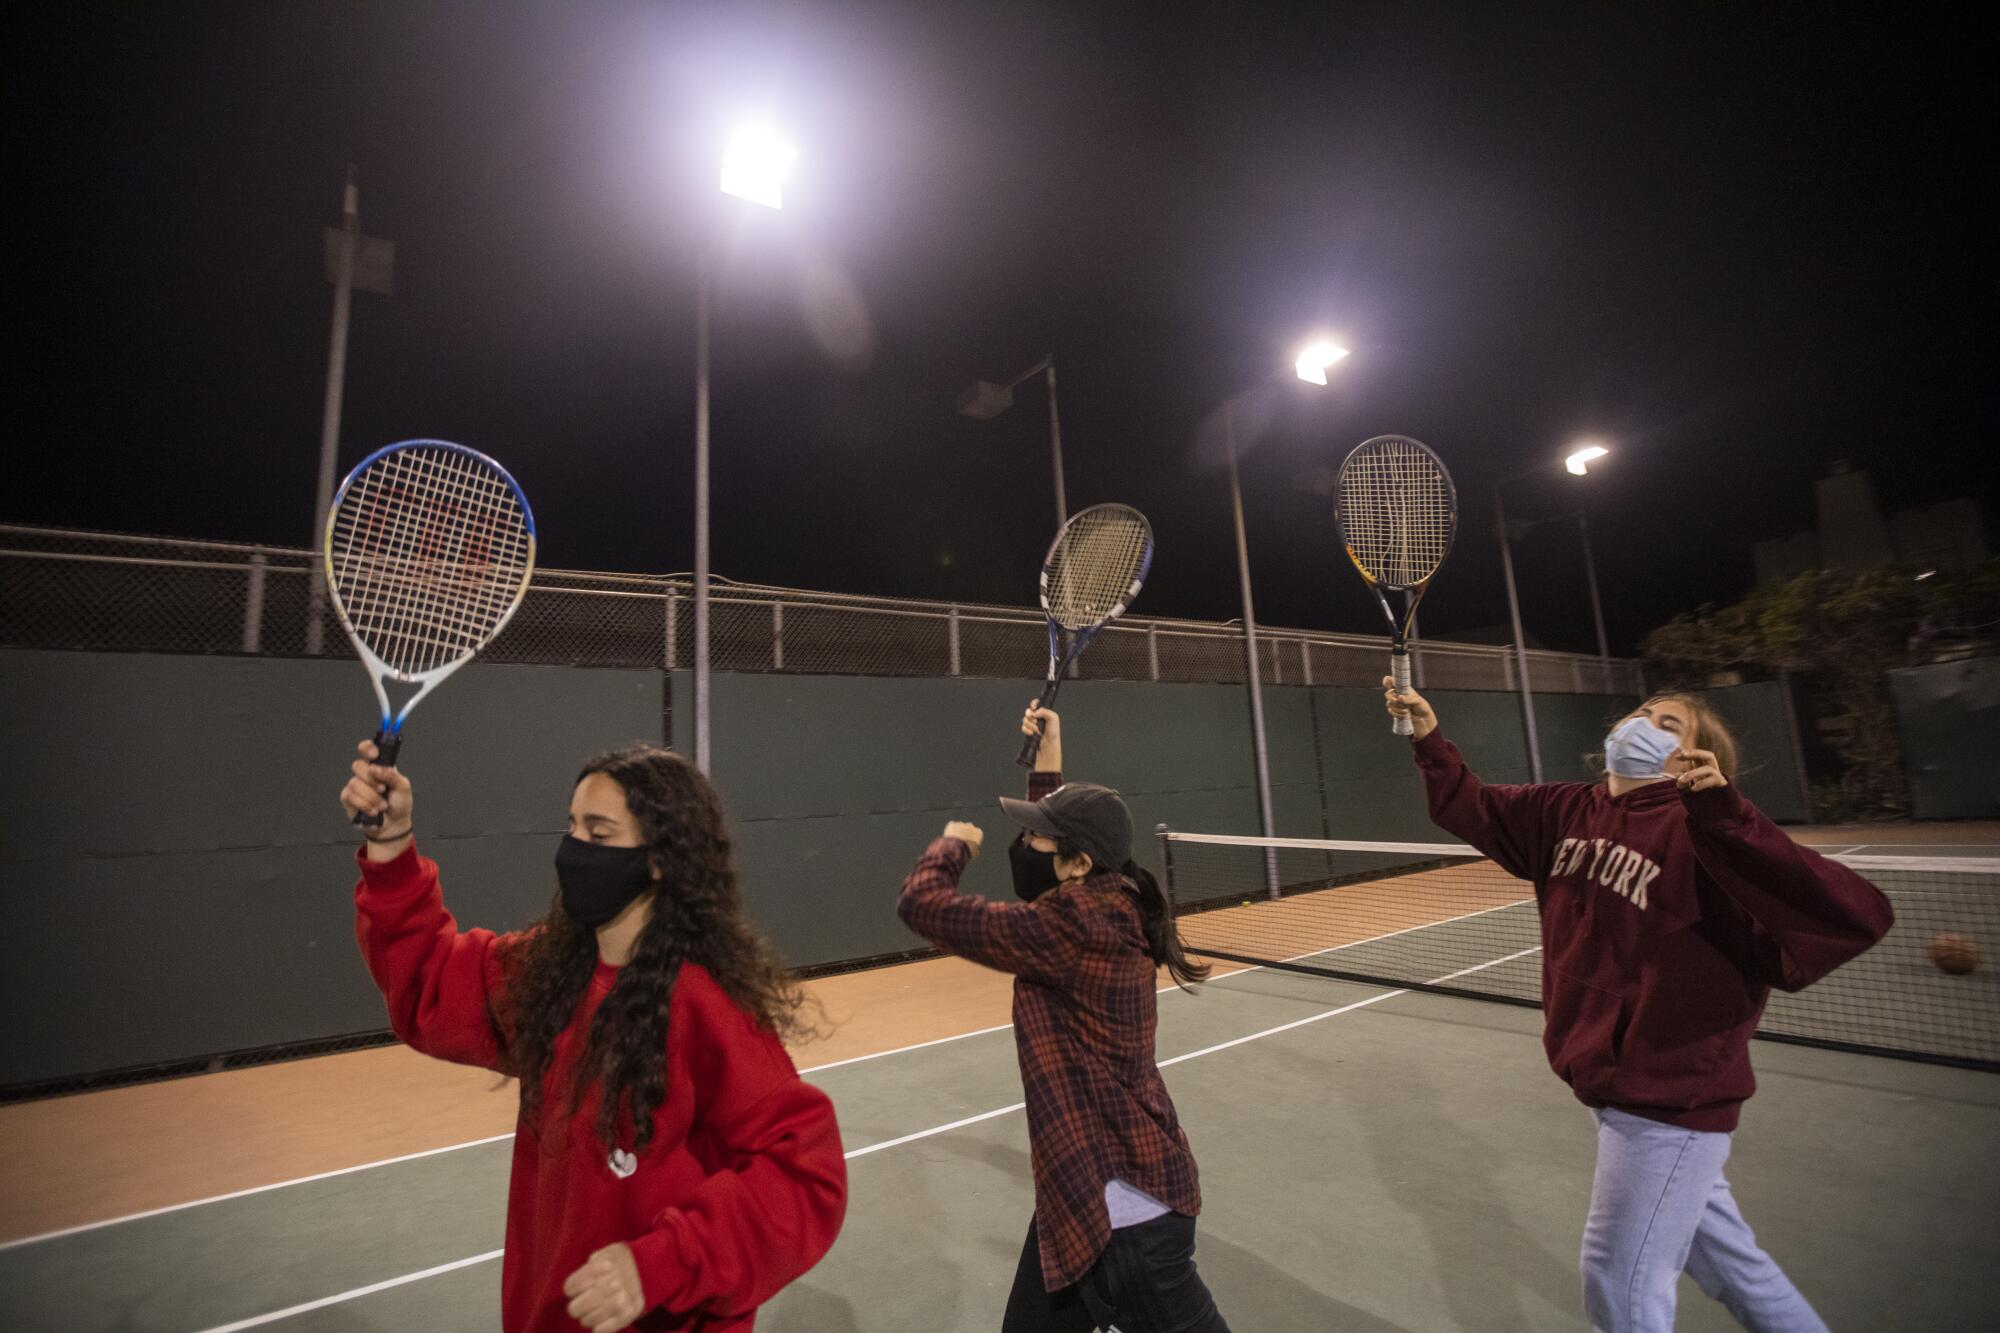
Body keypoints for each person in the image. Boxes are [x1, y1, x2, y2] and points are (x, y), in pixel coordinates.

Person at [1384, 681, 1893, 1333]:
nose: (1644, 724)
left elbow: (1857, 914)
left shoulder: (1710, 833)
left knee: (1619, 1283)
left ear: (1698, 759)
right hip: (1611, 1088)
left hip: (1669, 1102)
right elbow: (1471, 805)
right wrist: (1428, 736)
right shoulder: (1567, 809)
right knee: (1738, 1271)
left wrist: (1725, 814)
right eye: (1642, 712)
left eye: (1669, 722)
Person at [340, 739, 846, 1333]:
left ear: (660, 857)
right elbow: (428, 981)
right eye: (572, 826)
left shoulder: (705, 1005)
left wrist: (662, 1263)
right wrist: (391, 844)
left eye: (600, 835)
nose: (576, 849)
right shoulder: (550, 973)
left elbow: (805, 1179)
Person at [896, 703, 1230, 1333]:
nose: (1024, 848)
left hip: (1126, 1217)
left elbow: (922, 905)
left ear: (1078, 864)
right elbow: (1050, 865)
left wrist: (950, 848)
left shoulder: (1073, 926)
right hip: (1078, 1200)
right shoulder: (1105, 899)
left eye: (1037, 839)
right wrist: (1049, 760)